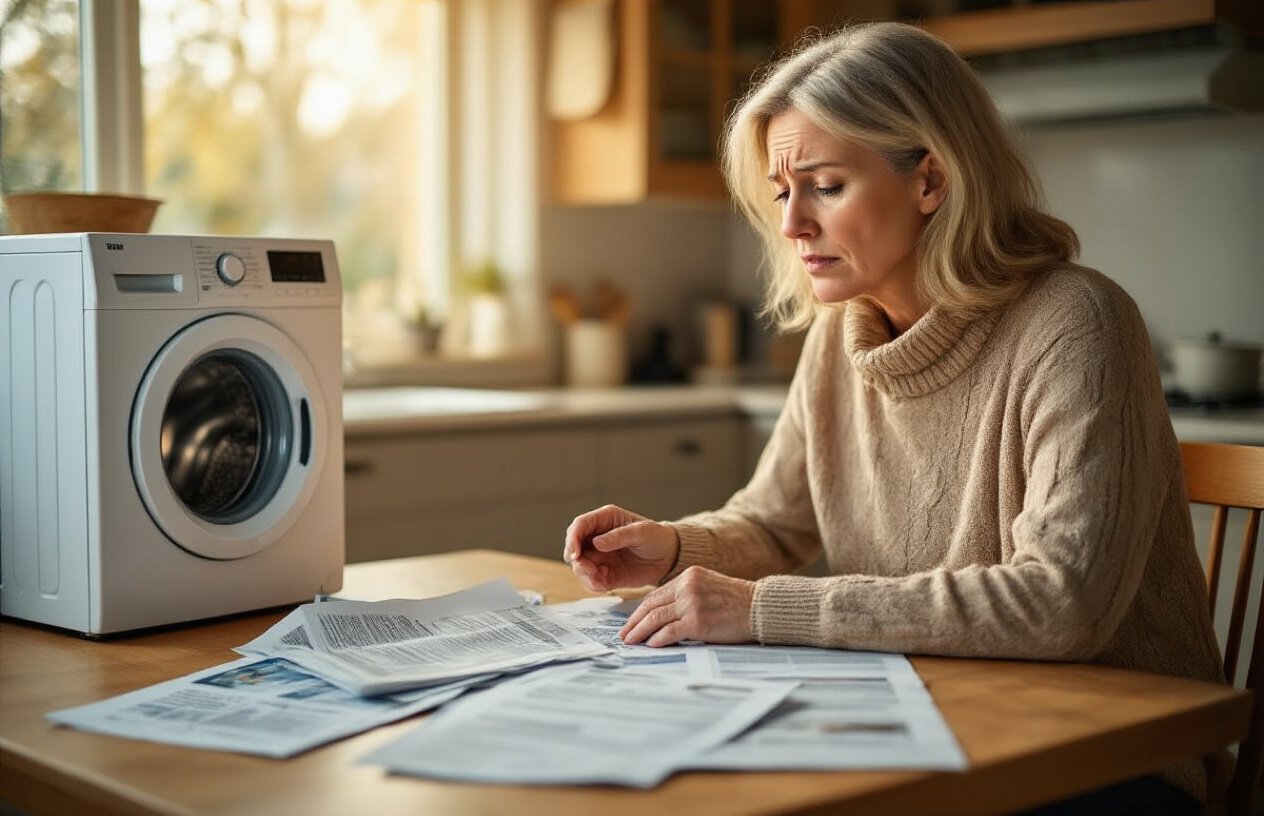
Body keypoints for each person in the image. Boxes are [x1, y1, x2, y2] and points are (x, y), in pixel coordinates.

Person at [562, 21, 1226, 816]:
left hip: (1107, 753)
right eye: (782, 192)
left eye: (825, 186)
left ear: (931, 181)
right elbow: (774, 523)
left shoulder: (1076, 322)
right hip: (934, 718)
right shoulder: (839, 336)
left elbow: (1062, 603)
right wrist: (672, 548)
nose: (791, 224)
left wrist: (762, 608)